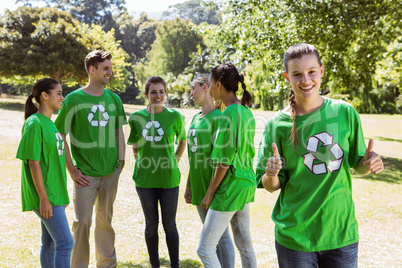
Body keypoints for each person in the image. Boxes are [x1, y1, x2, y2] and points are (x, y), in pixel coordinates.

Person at [255, 43, 385, 268]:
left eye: (311, 72)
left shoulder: (344, 112)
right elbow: (270, 185)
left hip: (340, 234)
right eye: (297, 74)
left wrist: (369, 162)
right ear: (287, 77)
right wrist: (271, 173)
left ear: (321, 71)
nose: (306, 80)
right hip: (295, 237)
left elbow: (358, 165)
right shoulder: (277, 124)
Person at [55, 50, 127, 268]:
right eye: (105, 68)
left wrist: (120, 163)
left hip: (110, 172)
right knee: (83, 222)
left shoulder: (114, 99)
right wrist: (72, 171)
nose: (109, 72)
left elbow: (118, 133)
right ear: (92, 70)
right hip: (85, 175)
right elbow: (60, 136)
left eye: (110, 68)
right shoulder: (73, 99)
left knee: (105, 222)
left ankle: (107, 265)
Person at [196, 63, 258, 268]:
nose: (209, 87)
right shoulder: (246, 112)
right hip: (245, 184)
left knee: (204, 248)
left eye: (211, 83)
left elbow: (223, 161)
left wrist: (210, 193)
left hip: (231, 187)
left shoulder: (228, 115)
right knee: (245, 244)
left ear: (219, 85)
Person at [127, 76, 186, 268]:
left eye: (161, 91)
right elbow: (135, 144)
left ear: (165, 93)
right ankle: (155, 264)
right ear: (146, 95)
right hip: (144, 180)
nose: (158, 95)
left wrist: (173, 161)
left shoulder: (175, 116)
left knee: (170, 225)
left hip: (169, 178)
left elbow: (183, 140)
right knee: (151, 225)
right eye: (153, 92)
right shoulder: (136, 118)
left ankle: (174, 264)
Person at [16, 78, 74, 267]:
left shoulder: (51, 124)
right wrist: (44, 198)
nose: (62, 98)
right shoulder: (34, 124)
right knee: (66, 243)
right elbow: (33, 163)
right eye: (59, 93)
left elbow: (55, 163)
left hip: (54, 194)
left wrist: (60, 195)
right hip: (45, 195)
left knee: (49, 243)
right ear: (44, 95)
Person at [184, 74, 235, 268]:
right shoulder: (196, 118)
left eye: (194, 88)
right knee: (211, 236)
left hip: (212, 187)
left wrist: (210, 191)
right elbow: (192, 156)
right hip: (198, 186)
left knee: (222, 237)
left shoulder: (219, 118)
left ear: (206, 87)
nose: (191, 92)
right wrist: (189, 185)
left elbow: (221, 160)